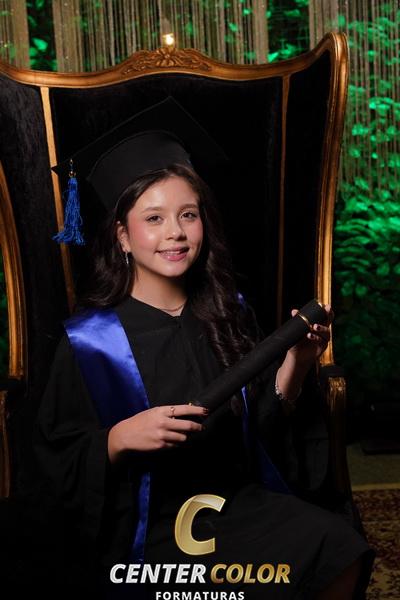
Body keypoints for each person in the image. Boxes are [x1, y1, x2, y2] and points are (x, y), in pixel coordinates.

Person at [35, 97, 372, 598]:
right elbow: (51, 465)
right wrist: (118, 439)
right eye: (153, 218)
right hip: (145, 525)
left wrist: (297, 363)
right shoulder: (91, 342)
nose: (175, 232)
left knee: (339, 547)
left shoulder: (226, 313)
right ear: (122, 236)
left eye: (188, 215)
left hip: (231, 503)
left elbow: (259, 432)